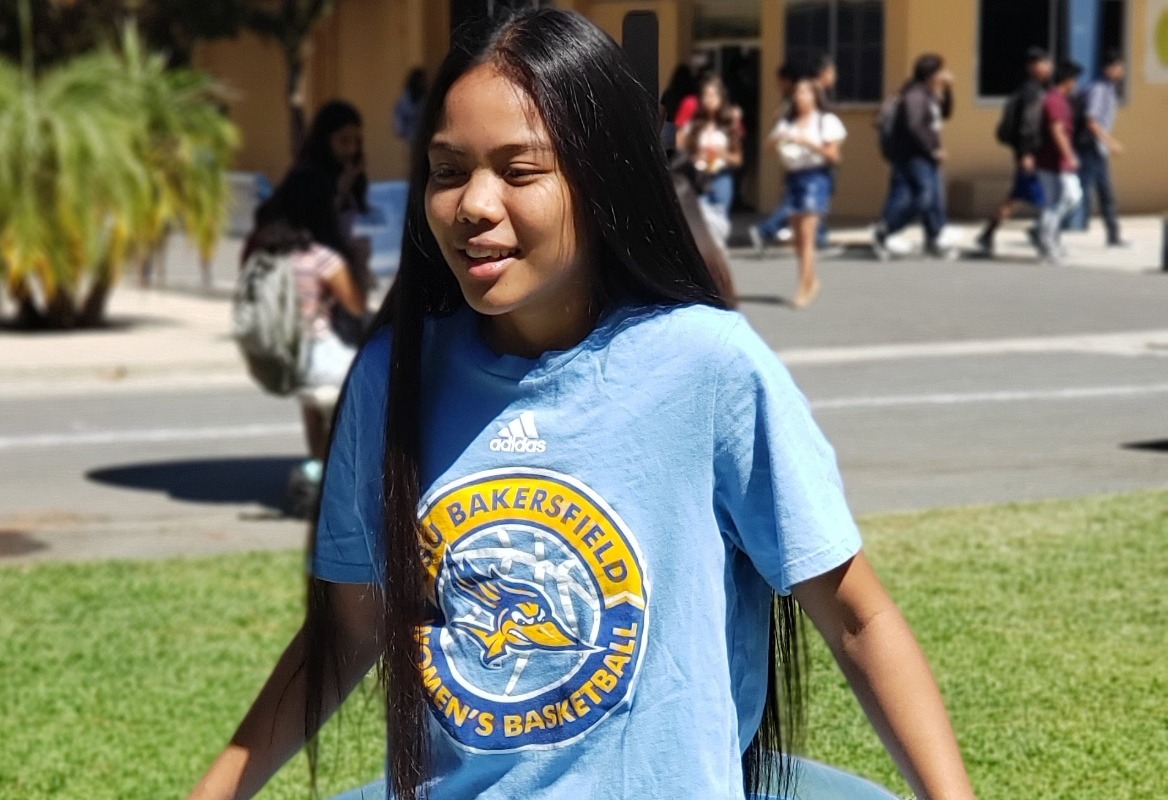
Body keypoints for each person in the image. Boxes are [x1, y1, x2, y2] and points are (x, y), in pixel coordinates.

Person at [188, 9, 978, 800]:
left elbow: (858, 619)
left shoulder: (707, 366)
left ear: (603, 181)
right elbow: (347, 626)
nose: (473, 204)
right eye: (448, 170)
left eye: (519, 171)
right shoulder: (392, 376)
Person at [243, 199, 368, 480]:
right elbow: (356, 305)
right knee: (366, 387)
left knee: (311, 409)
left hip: (289, 357)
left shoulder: (267, 261)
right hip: (322, 355)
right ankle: (341, 475)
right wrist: (360, 262)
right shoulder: (321, 258)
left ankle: (315, 469)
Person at [264, 100, 374, 321]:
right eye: (343, 141)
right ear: (325, 140)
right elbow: (318, 226)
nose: (351, 149)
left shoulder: (348, 175)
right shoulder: (308, 179)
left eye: (356, 141)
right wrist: (340, 193)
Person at [767, 78, 846, 308]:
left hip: (815, 177)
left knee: (807, 233)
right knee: (798, 237)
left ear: (815, 96)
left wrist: (808, 142)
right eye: (798, 92)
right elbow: (768, 146)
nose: (800, 97)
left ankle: (804, 286)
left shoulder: (826, 121)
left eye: (805, 92)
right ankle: (811, 280)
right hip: (793, 176)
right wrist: (780, 137)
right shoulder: (789, 122)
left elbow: (834, 155)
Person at [872, 54, 955, 260]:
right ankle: (886, 230)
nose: (945, 75)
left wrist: (948, 90)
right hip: (914, 155)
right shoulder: (915, 96)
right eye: (941, 72)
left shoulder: (929, 94)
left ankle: (934, 239)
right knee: (924, 197)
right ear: (931, 74)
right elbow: (914, 126)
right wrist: (932, 149)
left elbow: (944, 113)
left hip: (925, 155)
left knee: (933, 199)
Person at [975, 47, 1052, 256]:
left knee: (1017, 197)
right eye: (1044, 63)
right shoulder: (1032, 92)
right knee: (1045, 198)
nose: (1049, 67)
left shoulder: (1031, 89)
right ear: (1033, 67)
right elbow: (1028, 124)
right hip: (1030, 154)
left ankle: (987, 234)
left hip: (1026, 153)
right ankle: (1040, 234)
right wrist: (1026, 153)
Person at [1067, 51, 1128, 244]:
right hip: (1090, 147)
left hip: (1098, 149)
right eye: (1119, 67)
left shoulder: (1109, 89)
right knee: (1079, 192)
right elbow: (1091, 122)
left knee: (1105, 192)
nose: (1122, 71)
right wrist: (1112, 142)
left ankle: (1113, 235)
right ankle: (1043, 227)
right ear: (1109, 69)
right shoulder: (1098, 89)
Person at [678, 72, 744, 245]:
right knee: (698, 227)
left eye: (714, 95)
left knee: (718, 227)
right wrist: (695, 154)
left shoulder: (729, 125)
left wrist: (721, 153)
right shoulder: (696, 125)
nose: (710, 99)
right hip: (699, 179)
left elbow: (737, 159)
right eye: (706, 95)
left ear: (721, 99)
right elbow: (681, 145)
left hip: (721, 178)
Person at [1034, 60, 1085, 262]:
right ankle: (1046, 242)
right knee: (1061, 200)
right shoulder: (1054, 100)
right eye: (1074, 80)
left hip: (1057, 162)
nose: (1076, 84)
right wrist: (1069, 155)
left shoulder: (1062, 100)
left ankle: (1047, 237)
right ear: (1067, 80)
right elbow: (1057, 131)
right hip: (1052, 162)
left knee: (1068, 198)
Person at [659, 63, 700, 153]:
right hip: (686, 129)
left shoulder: (668, 93)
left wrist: (657, 133)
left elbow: (661, 116)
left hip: (669, 129)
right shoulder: (692, 94)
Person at [393, 68, 428, 147]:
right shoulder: (404, 100)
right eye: (420, 81)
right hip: (410, 139)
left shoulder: (426, 98)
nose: (422, 84)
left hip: (425, 138)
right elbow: (398, 121)